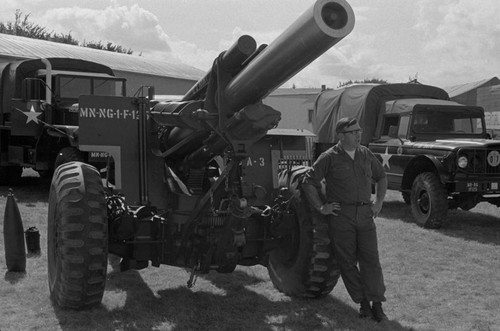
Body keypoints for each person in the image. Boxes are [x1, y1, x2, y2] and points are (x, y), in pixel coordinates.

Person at [302, 117, 388, 322]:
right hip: (341, 218)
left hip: (365, 215)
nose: (359, 135)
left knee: (371, 261)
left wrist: (379, 202)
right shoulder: (329, 157)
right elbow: (308, 181)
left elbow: (382, 176)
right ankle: (363, 303)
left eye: (359, 131)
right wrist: (321, 207)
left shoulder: (365, 154)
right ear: (341, 135)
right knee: (347, 262)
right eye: (353, 132)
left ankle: (377, 304)